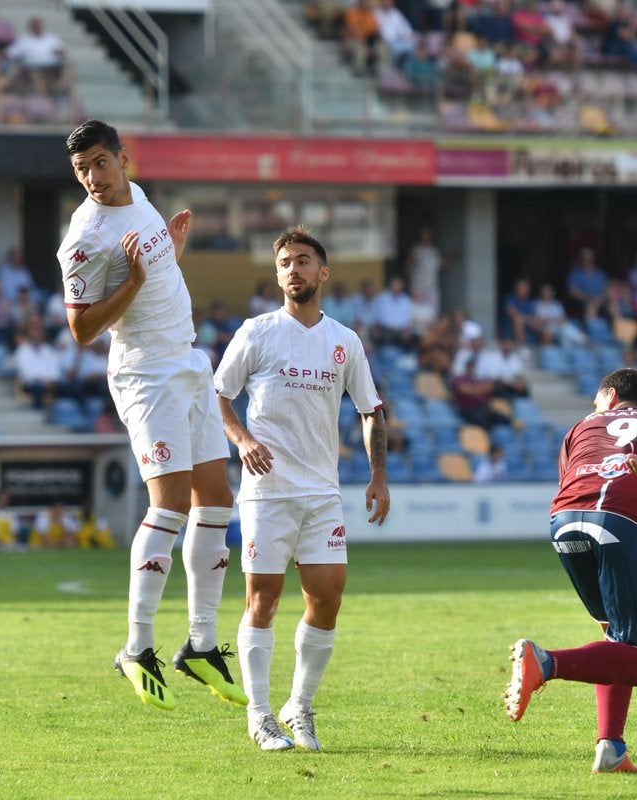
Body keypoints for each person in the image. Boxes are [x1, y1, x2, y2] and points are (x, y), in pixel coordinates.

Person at [57, 119, 242, 711]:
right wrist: (136, 279)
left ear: (124, 159)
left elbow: (154, 272)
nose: (93, 177)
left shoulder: (138, 199)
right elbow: (82, 329)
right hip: (145, 373)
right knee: (171, 505)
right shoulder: (83, 237)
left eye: (100, 163)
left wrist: (169, 253)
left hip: (188, 358)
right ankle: (136, 647)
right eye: (82, 168)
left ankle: (201, 643)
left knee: (216, 501)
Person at [215, 225, 390, 751]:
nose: (294, 269)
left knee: (327, 599)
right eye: (286, 262)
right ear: (278, 274)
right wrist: (242, 439)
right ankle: (261, 715)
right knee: (263, 600)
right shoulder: (256, 331)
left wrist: (378, 475)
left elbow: (370, 410)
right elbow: (218, 395)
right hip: (267, 491)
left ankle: (300, 705)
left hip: (321, 492)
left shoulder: (344, 340)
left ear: (323, 271)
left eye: (304, 260)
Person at [503, 367, 637, 774]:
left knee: (616, 636)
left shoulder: (581, 426)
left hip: (563, 521)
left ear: (612, 397)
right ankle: (545, 663)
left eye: (597, 400)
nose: (595, 407)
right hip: (621, 521)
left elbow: (567, 478)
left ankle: (611, 748)